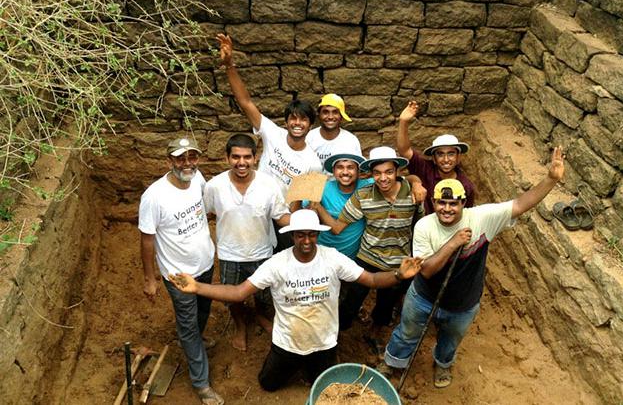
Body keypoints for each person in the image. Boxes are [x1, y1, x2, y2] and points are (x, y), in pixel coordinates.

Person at [169, 210, 423, 392]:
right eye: (300, 235)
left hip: (324, 342)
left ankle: (310, 369)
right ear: (292, 236)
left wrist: (399, 275)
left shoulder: (332, 258)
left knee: (320, 385)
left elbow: (372, 280)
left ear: (317, 235)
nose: (306, 241)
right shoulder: (277, 264)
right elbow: (238, 293)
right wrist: (197, 287)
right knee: (267, 385)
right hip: (287, 342)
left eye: (311, 235)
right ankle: (292, 365)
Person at [381, 147, 565, 388]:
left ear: (463, 203)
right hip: (424, 296)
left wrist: (550, 179)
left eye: (452, 204)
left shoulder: (482, 217)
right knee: (407, 332)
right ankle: (394, 361)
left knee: (450, 340)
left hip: (463, 302)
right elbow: (426, 271)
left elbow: (521, 204)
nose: (446, 209)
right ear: (433, 202)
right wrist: (453, 242)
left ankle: (443, 364)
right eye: (440, 203)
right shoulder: (425, 226)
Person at [314, 146, 425, 354]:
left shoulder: (413, 194)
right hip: (366, 257)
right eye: (377, 173)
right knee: (350, 303)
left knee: (385, 305)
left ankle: (373, 333)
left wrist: (416, 182)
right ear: (370, 174)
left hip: (398, 262)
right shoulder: (362, 194)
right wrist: (317, 206)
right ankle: (335, 336)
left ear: (398, 171)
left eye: (389, 172)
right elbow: (338, 227)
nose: (383, 178)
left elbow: (420, 225)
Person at [217, 33, 322, 251]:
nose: (297, 123)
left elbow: (306, 201)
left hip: (281, 217)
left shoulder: (313, 163)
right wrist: (229, 65)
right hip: (254, 207)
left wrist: (293, 224)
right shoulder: (272, 133)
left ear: (310, 125)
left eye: (303, 119)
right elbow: (245, 102)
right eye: (293, 118)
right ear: (286, 121)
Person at [138, 137, 223, 405]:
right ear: (169, 161)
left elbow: (207, 210)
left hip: (206, 263)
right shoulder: (154, 196)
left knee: (203, 311)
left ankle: (194, 341)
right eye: (180, 158)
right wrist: (149, 279)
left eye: (192, 157)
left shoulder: (197, 179)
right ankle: (201, 383)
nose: (187, 163)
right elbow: (147, 240)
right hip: (178, 275)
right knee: (187, 325)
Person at [203, 133, 290, 352]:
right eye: (236, 157)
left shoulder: (270, 185)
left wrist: (307, 218)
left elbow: (281, 217)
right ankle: (240, 325)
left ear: (255, 158)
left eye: (247, 157)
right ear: (227, 158)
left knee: (263, 292)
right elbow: (209, 214)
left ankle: (261, 316)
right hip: (229, 252)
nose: (241, 163)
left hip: (262, 251)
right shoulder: (214, 186)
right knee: (233, 297)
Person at [396, 100, 475, 214]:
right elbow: (405, 150)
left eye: (451, 154)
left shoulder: (466, 186)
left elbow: (466, 216)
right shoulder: (424, 169)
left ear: (458, 157)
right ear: (433, 158)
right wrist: (403, 121)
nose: (446, 159)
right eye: (440, 154)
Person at [306, 94, 362, 171]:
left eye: (335, 112)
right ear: (319, 115)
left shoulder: (351, 141)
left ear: (341, 116)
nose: (330, 117)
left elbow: (356, 170)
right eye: (325, 112)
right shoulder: (309, 138)